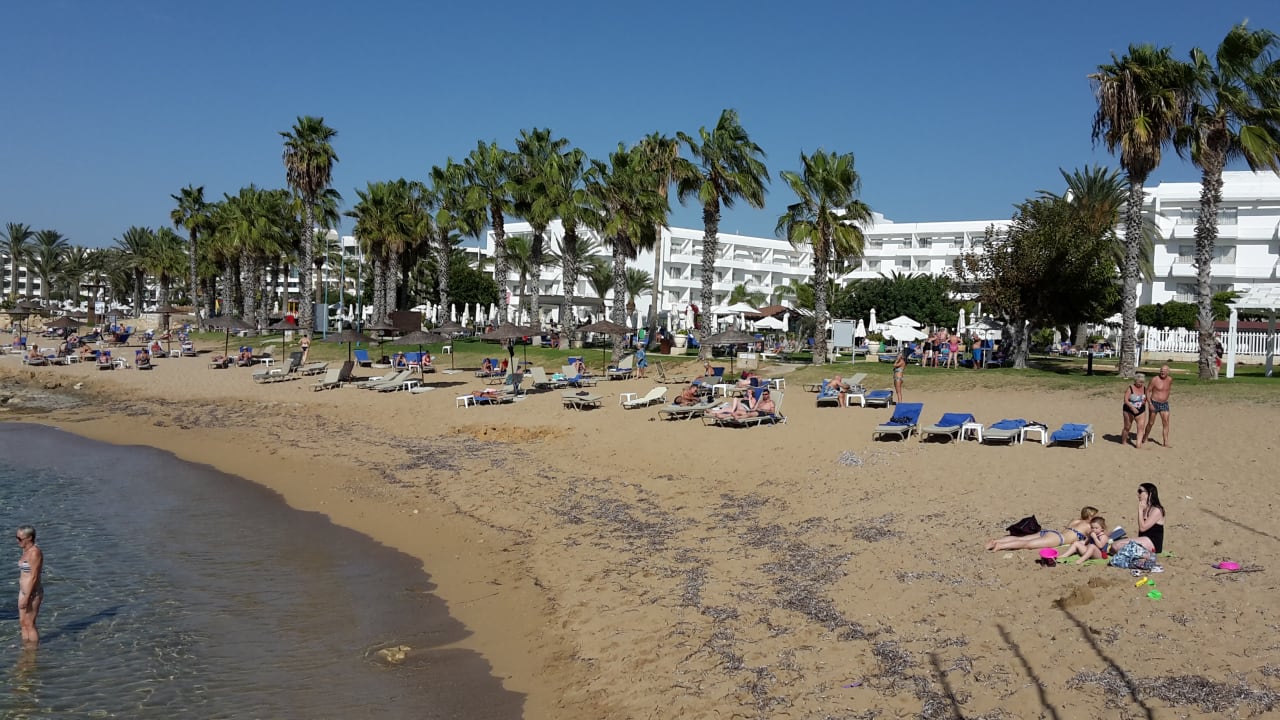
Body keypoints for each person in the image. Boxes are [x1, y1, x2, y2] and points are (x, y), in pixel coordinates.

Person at [986, 507, 1100, 551]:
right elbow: (1095, 538)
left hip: (1052, 532)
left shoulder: (1075, 520)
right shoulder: (1088, 527)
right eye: (1094, 516)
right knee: (1027, 544)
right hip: (1058, 538)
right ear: (1090, 516)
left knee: (1023, 538)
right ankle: (1000, 546)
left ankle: (997, 541)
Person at [1111, 483, 1165, 555]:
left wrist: (1140, 510)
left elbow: (1142, 528)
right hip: (1144, 540)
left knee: (1116, 546)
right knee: (1115, 545)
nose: (1138, 495)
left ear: (1150, 493)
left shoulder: (1157, 510)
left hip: (1152, 543)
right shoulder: (1146, 508)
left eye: (1140, 491)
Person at [16, 525, 42, 646]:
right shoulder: (25, 550)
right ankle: (26, 648)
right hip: (23, 592)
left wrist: (27, 597)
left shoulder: (34, 553)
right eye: (16, 537)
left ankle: (33, 652)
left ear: (29, 538)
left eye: (20, 538)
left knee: (30, 623)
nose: (17, 541)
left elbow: (34, 577)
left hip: (32, 593)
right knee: (23, 622)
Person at [1142, 364, 1173, 448]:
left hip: (1164, 404)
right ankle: (1145, 437)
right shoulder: (1154, 380)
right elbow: (1147, 391)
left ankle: (1165, 442)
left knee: (1166, 423)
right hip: (1154, 403)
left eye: (1164, 371)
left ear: (1168, 372)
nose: (1162, 372)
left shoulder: (1170, 379)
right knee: (1151, 423)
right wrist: (1150, 404)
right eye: (1161, 371)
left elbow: (1167, 390)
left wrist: (1165, 398)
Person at [1121, 373, 1148, 448]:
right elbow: (1125, 400)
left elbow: (1146, 397)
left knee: (1141, 427)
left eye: (1142, 382)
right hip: (1129, 410)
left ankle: (1138, 444)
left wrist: (1144, 402)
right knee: (1127, 427)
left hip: (1141, 410)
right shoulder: (1130, 388)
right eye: (1139, 382)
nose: (1140, 384)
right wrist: (1132, 407)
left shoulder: (1144, 388)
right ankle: (1123, 441)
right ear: (1135, 381)